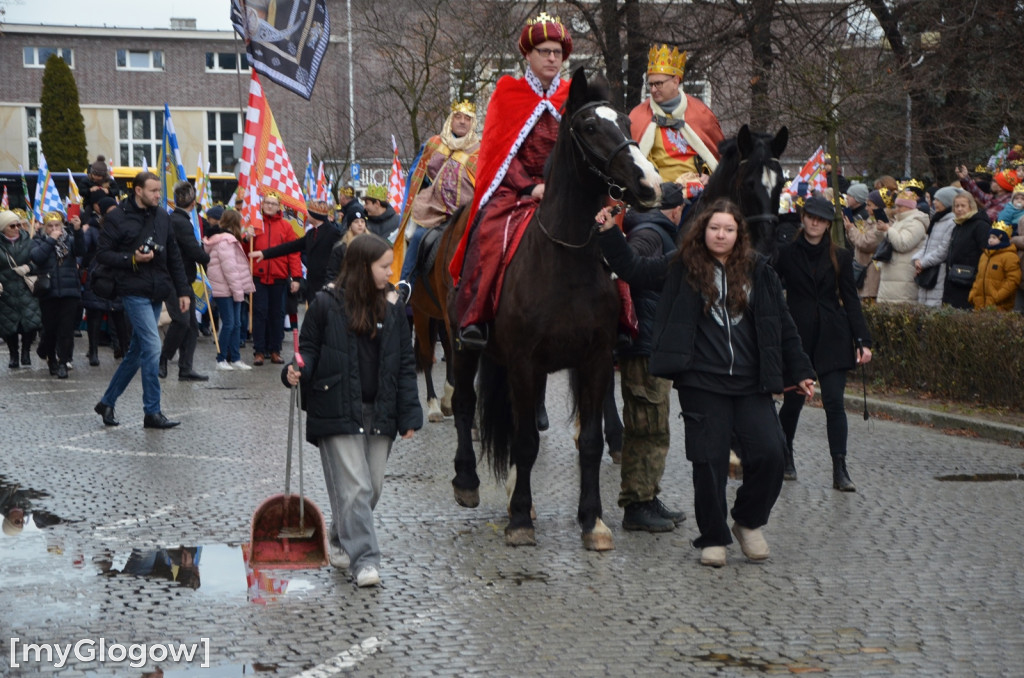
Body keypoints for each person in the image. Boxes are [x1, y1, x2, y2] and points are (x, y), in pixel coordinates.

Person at [596, 198, 815, 567]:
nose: (721, 235)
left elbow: (783, 324)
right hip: (703, 382)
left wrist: (801, 370)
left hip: (751, 383)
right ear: (703, 230)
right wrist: (607, 232)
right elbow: (634, 268)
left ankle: (747, 521)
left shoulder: (758, 270)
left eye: (729, 229)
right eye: (715, 228)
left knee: (771, 454)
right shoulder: (682, 267)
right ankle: (713, 536)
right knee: (709, 462)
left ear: (738, 234)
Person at [283, 233, 422, 587]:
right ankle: (366, 561)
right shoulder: (325, 304)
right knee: (356, 489)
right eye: (384, 266)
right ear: (363, 267)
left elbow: (405, 363)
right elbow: (309, 350)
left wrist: (409, 414)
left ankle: (339, 534)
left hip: (382, 410)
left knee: (370, 488)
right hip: (335, 407)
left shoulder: (393, 308)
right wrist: (295, 368)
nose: (390, 272)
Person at [450, 12, 573, 349]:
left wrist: (561, 185)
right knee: (488, 231)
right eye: (544, 51)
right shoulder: (507, 93)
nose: (552, 58)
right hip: (517, 187)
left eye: (557, 53)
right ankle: (475, 316)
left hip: (564, 188)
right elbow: (497, 151)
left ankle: (621, 318)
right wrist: (531, 186)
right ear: (528, 56)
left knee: (608, 227)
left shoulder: (572, 95)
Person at [773, 196, 873, 490]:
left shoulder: (840, 256)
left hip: (833, 335)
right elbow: (771, 290)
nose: (815, 222)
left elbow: (851, 301)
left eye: (821, 219)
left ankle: (839, 468)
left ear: (828, 224)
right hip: (797, 336)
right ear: (803, 218)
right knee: (792, 403)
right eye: (810, 217)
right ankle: (785, 453)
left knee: (834, 402)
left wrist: (862, 340)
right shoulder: (787, 254)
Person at [93, 172, 191, 429]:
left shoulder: (162, 216)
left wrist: (183, 291)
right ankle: (152, 411)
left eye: (159, 190)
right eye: (153, 191)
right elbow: (102, 254)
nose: (158, 195)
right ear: (138, 190)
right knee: (152, 346)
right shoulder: (117, 217)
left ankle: (107, 401)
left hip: (157, 290)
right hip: (132, 289)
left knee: (137, 352)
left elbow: (174, 256)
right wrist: (132, 259)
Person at [615, 183, 687, 532]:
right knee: (645, 428)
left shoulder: (651, 230)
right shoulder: (650, 233)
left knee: (656, 427)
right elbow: (630, 269)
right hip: (644, 347)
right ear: (675, 210)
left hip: (653, 345)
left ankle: (648, 496)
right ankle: (635, 505)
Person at [397, 100, 480, 296]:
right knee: (417, 237)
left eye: (467, 119)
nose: (462, 122)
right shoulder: (434, 144)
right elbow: (417, 175)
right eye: (458, 117)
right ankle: (405, 284)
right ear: (451, 120)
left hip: (464, 214)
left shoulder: (480, 151)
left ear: (472, 123)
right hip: (433, 210)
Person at [628, 44, 723, 187]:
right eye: (651, 84)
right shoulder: (638, 116)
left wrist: (708, 173)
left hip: (696, 194)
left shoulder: (701, 114)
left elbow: (716, 157)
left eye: (658, 84)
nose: (653, 90)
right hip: (657, 194)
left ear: (675, 81)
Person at [160, 181, 211, 382]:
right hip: (177, 281)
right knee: (181, 322)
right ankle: (163, 359)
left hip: (182, 279)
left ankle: (185, 368)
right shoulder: (181, 222)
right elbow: (193, 250)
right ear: (193, 203)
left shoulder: (174, 218)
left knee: (191, 326)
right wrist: (206, 256)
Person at [30, 211, 88, 378]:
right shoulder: (38, 241)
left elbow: (81, 250)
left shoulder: (69, 241)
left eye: (57, 225)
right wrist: (51, 240)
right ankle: (51, 360)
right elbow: (37, 258)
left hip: (69, 290)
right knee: (50, 329)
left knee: (66, 329)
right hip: (49, 291)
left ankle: (63, 362)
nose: (55, 228)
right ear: (45, 228)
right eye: (50, 226)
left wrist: (77, 231)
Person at [248, 191, 302, 366]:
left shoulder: (286, 227)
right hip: (259, 276)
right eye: (267, 203)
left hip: (279, 276)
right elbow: (245, 248)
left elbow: (293, 253)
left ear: (279, 207)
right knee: (260, 313)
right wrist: (246, 237)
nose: (270, 206)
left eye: (273, 203)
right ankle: (259, 351)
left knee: (277, 314)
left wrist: (296, 277)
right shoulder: (255, 225)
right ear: (262, 205)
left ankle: (275, 350)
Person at [249, 199, 342, 300]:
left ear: (315, 216)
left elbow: (340, 258)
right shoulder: (311, 233)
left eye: (309, 213)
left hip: (326, 285)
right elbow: (290, 247)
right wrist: (265, 253)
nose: (306, 215)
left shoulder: (333, 233)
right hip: (312, 286)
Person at [204, 209, 256, 370]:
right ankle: (221, 358)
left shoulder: (227, 239)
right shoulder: (225, 241)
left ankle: (235, 357)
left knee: (236, 323)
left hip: (229, 287)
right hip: (226, 288)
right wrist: (238, 290)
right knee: (230, 323)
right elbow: (230, 269)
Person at [0, 210, 42, 369]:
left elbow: (40, 260)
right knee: (9, 325)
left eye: (18, 224)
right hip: (6, 289)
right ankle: (13, 354)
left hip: (26, 287)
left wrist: (29, 267)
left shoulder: (29, 241)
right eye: (12, 225)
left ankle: (26, 351)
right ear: (3, 227)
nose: (17, 228)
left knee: (29, 323)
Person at [876, 189, 927, 304]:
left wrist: (888, 229)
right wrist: (881, 230)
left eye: (900, 206)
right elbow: (887, 242)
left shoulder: (916, 222)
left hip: (903, 278)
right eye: (896, 206)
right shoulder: (899, 221)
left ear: (909, 207)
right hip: (892, 276)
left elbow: (903, 244)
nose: (897, 209)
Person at [912, 186, 959, 307]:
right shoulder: (936, 220)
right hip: (926, 270)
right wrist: (917, 259)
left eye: (938, 200)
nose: (934, 202)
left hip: (938, 273)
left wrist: (923, 263)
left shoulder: (952, 222)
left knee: (934, 308)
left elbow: (943, 250)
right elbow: (926, 245)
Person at [943, 192, 990, 309]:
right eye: (956, 206)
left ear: (971, 207)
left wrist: (975, 276)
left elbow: (985, 253)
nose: (959, 209)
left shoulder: (980, 225)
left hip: (969, 281)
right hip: (954, 279)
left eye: (963, 206)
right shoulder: (958, 225)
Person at [969, 221, 1021, 311]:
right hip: (980, 304)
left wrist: (997, 296)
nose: (990, 240)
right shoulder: (985, 255)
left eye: (994, 237)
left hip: (999, 306)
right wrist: (973, 295)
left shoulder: (1010, 256)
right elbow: (978, 277)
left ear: (1002, 239)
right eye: (990, 237)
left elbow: (1013, 280)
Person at [324, 213, 367, 283]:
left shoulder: (371, 244)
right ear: (350, 225)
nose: (360, 224)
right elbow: (332, 272)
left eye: (362, 221)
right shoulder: (340, 248)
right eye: (356, 222)